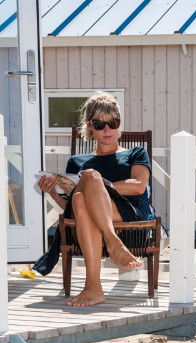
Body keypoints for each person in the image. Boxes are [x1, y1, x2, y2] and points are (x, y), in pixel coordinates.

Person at [33, 92, 151, 306]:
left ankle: (106, 255)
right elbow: (71, 208)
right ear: (89, 126)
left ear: (119, 123)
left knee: (89, 178)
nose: (107, 130)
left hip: (130, 219)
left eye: (113, 123)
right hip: (87, 225)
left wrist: (96, 186)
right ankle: (96, 281)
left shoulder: (136, 153)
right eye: (99, 124)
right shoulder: (76, 161)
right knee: (79, 199)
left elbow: (138, 186)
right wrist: (53, 193)